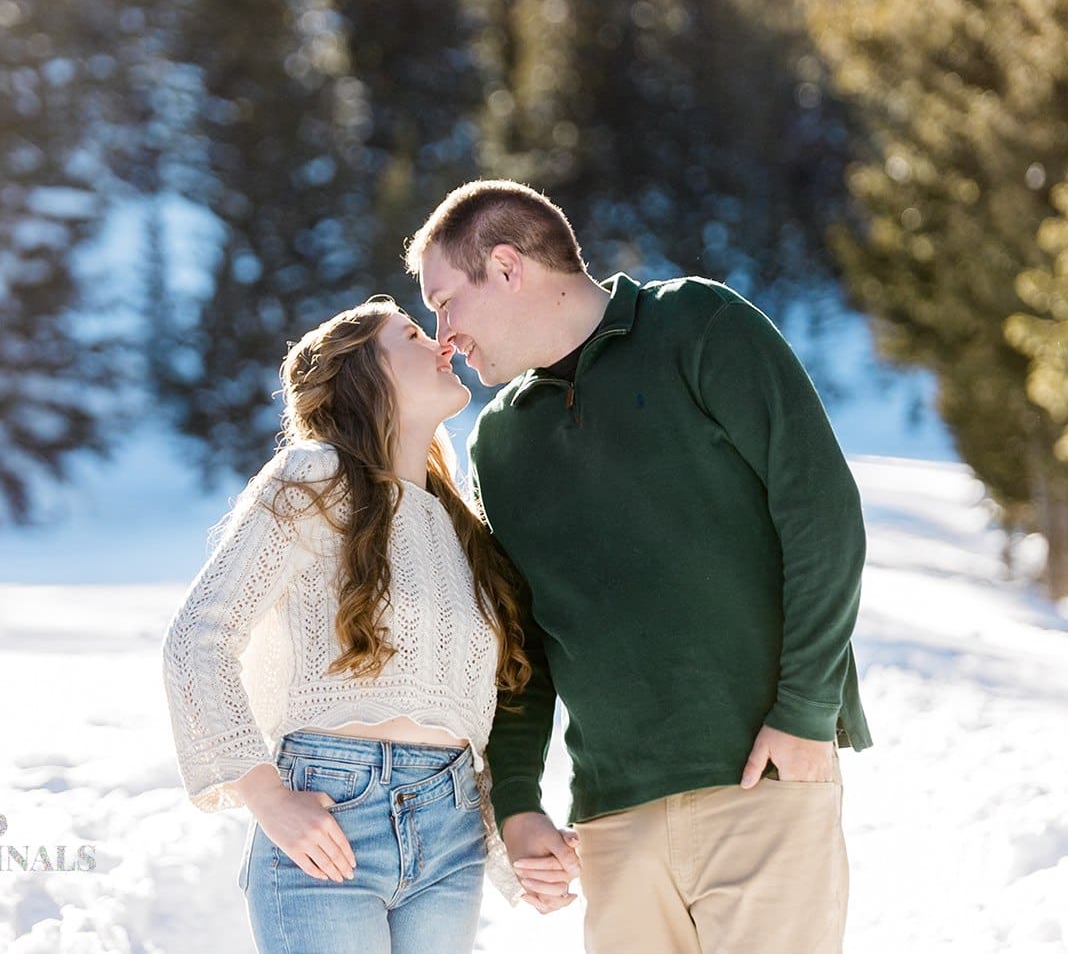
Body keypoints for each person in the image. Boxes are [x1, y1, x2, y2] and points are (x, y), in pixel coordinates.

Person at [406, 180, 874, 953]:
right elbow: (524, 640)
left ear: (508, 267)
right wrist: (518, 800)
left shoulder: (699, 326)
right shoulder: (500, 444)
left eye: (445, 302)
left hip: (762, 777)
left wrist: (804, 712)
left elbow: (822, 515)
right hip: (613, 817)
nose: (443, 335)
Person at [160, 296, 537, 953]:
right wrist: (268, 799)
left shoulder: (463, 528)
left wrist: (515, 841)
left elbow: (471, 708)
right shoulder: (313, 478)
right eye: (415, 335)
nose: (443, 344)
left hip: (450, 830)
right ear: (367, 376)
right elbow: (198, 639)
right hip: (330, 813)